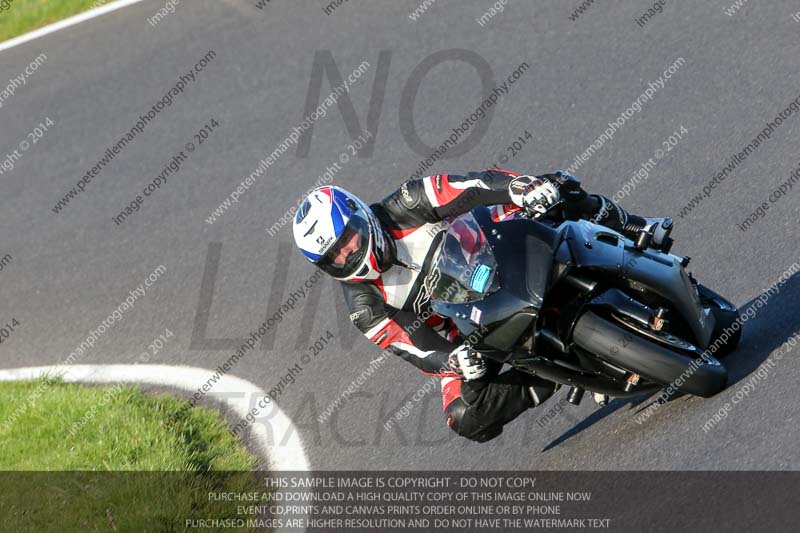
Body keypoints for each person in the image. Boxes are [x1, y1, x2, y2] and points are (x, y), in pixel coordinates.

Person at [291, 169, 672, 442]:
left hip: (499, 254)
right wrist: (453, 362)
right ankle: (554, 374)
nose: (348, 254)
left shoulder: (406, 202)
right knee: (464, 417)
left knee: (556, 188)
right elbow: (414, 347)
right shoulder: (364, 306)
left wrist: (519, 189)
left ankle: (634, 227)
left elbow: (473, 186)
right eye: (334, 257)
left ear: (360, 216)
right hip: (474, 332)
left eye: (348, 239)